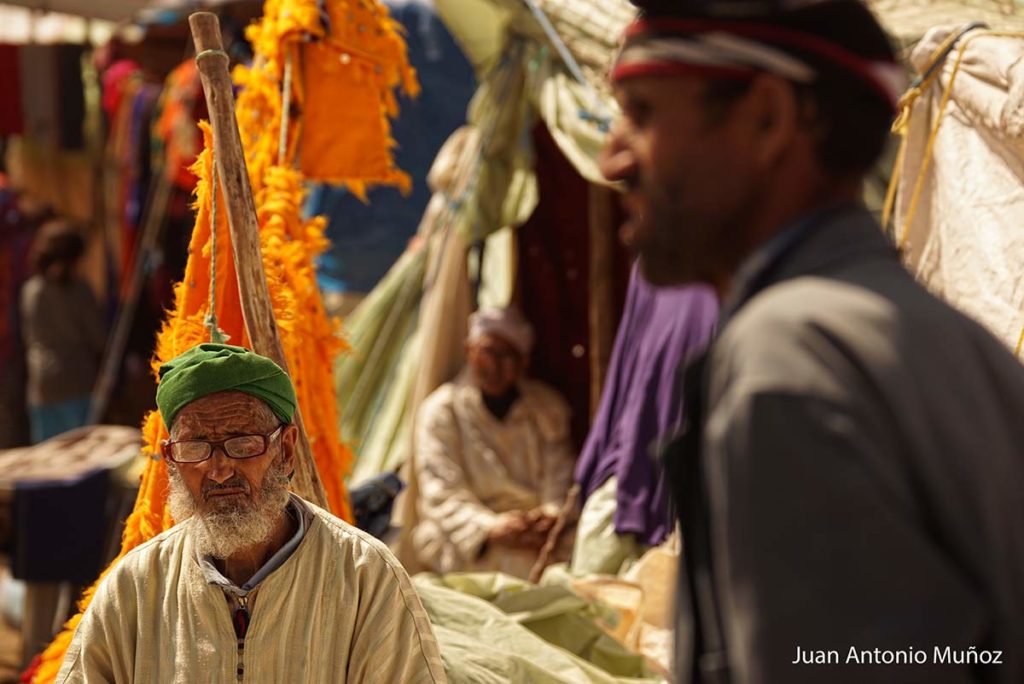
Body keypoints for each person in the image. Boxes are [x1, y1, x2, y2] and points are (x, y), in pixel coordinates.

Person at [600, 2, 1024, 683]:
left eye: (642, 113)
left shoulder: (788, 359)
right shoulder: (958, 344)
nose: (612, 158)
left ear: (767, 118)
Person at [57, 343, 447, 683]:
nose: (220, 468)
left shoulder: (364, 575)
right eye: (196, 447)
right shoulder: (136, 586)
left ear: (287, 450)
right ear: (171, 461)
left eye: (242, 443)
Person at [571, 263, 717, 575]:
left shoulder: (730, 265)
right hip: (633, 462)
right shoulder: (653, 266)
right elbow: (628, 361)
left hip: (693, 476)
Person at [412, 307, 575, 578]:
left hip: (535, 538)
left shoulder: (547, 409)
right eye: (488, 352)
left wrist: (550, 516)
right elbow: (441, 491)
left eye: (508, 356)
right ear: (469, 351)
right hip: (474, 540)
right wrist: (491, 528)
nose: (496, 366)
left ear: (523, 362)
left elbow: (560, 479)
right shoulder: (442, 411)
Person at [19, 219, 104, 443]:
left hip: (42, 381)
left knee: (49, 456)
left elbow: (28, 336)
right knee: (80, 453)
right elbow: (97, 337)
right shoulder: (80, 291)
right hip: (77, 379)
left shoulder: (31, 291)